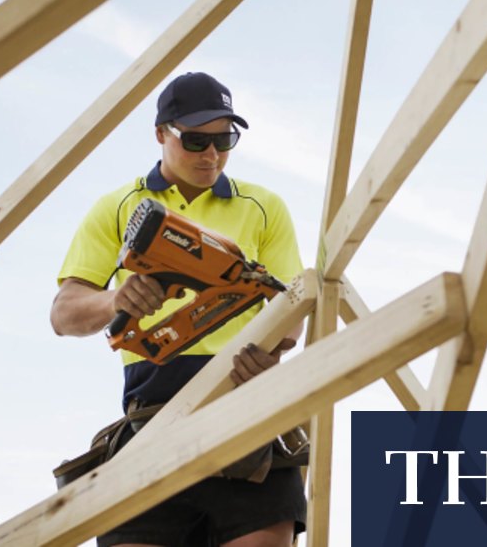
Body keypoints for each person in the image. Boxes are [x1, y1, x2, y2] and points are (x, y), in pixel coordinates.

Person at [50, 71, 305, 547]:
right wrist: (116, 299)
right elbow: (64, 313)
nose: (211, 154)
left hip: (247, 411)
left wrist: (274, 349)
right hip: (151, 417)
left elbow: (292, 309)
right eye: (195, 140)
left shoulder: (264, 207)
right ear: (161, 134)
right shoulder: (119, 207)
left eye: (224, 139)